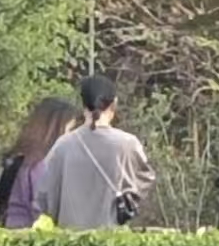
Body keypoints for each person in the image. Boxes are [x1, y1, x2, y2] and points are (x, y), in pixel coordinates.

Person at [32, 76, 155, 231]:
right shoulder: (127, 144)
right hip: (113, 239)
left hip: (69, 239)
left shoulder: (62, 145)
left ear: (83, 104)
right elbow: (145, 180)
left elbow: (43, 197)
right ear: (114, 104)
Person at [0, 97, 81, 229]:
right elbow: (45, 210)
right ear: (54, 130)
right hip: (28, 232)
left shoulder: (23, 160)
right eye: (69, 130)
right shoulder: (41, 165)